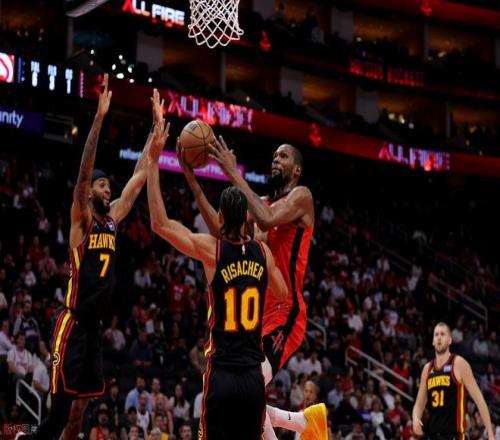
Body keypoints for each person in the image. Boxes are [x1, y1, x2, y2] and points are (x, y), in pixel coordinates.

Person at [18, 77, 164, 440]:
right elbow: (84, 174)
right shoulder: (81, 221)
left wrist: (155, 129)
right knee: (57, 416)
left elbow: (139, 176)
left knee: (79, 415)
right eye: (102, 186)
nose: (108, 189)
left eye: (108, 186)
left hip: (94, 329)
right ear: (90, 193)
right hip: (72, 324)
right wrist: (98, 119)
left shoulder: (113, 220)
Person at [147, 119, 288, 440]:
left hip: (222, 374)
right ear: (247, 220)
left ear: (221, 218)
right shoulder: (263, 253)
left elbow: (159, 223)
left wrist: (154, 160)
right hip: (253, 377)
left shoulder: (213, 251)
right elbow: (281, 294)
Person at [178, 137, 325, 439]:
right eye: (274, 155)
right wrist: (192, 179)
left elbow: (267, 220)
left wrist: (232, 172)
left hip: (285, 310)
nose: (275, 159)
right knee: (242, 393)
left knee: (251, 383)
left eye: (283, 156)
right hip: (256, 316)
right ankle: (304, 422)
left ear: (297, 169)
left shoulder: (302, 197)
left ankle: (303, 423)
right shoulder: (261, 203)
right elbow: (223, 232)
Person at [412, 322, 495, 439]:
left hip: (454, 435)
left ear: (450, 340)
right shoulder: (427, 369)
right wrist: (416, 418)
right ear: (433, 341)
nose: (439, 337)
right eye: (436, 335)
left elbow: (479, 400)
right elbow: (419, 404)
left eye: (442, 334)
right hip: (433, 435)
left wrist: (490, 433)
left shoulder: (459, 363)